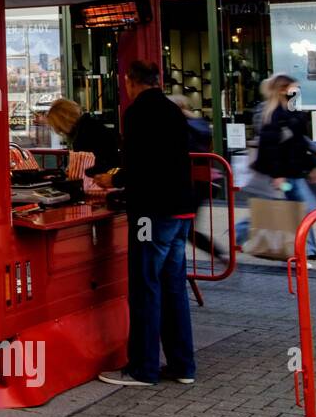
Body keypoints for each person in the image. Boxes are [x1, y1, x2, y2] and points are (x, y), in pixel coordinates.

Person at [92, 61, 196, 387]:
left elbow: (139, 166)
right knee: (173, 286)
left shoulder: (137, 113)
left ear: (130, 81)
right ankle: (183, 365)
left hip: (149, 215)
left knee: (144, 284)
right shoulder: (173, 111)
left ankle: (143, 367)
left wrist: (114, 179)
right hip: (181, 212)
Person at [233, 74, 316, 259]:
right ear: (282, 89)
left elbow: (298, 141)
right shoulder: (270, 113)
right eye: (293, 87)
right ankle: (304, 251)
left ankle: (307, 251)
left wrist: (313, 159)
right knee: (297, 208)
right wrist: (277, 175)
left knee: (295, 208)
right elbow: (272, 147)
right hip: (282, 174)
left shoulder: (291, 110)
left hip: (293, 171)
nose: (297, 90)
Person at [169, 94, 220, 258]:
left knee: (182, 230)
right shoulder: (200, 124)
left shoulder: (181, 128)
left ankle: (219, 254)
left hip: (187, 183)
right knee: (185, 228)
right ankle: (219, 255)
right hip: (201, 181)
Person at [45, 97, 119, 174]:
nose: (60, 131)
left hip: (103, 179)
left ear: (63, 122)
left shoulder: (82, 135)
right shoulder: (91, 124)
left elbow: (87, 168)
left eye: (58, 127)